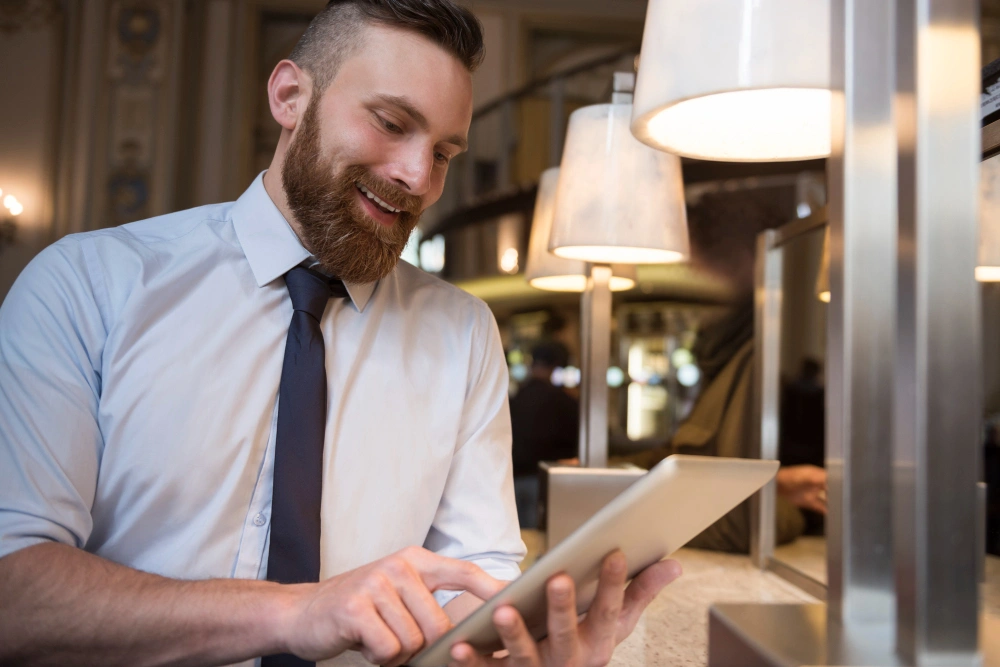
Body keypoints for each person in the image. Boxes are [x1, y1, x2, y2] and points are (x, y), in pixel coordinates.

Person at [0, 2, 681, 666]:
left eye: (444, 152)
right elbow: (14, 591)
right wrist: (296, 613)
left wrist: (521, 641)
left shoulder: (464, 331)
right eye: (391, 123)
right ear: (291, 95)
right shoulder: (87, 285)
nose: (418, 177)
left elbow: (475, 574)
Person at [620, 190, 827, 552]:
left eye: (700, 261)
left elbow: (746, 521)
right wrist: (596, 476)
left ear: (750, 261)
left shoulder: (769, 358)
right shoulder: (728, 356)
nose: (686, 273)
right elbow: (684, 462)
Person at [510, 341, 579, 528]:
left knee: (515, 537)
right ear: (556, 367)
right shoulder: (565, 402)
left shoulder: (514, 399)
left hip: (511, 479)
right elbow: (575, 442)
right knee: (539, 538)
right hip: (545, 481)